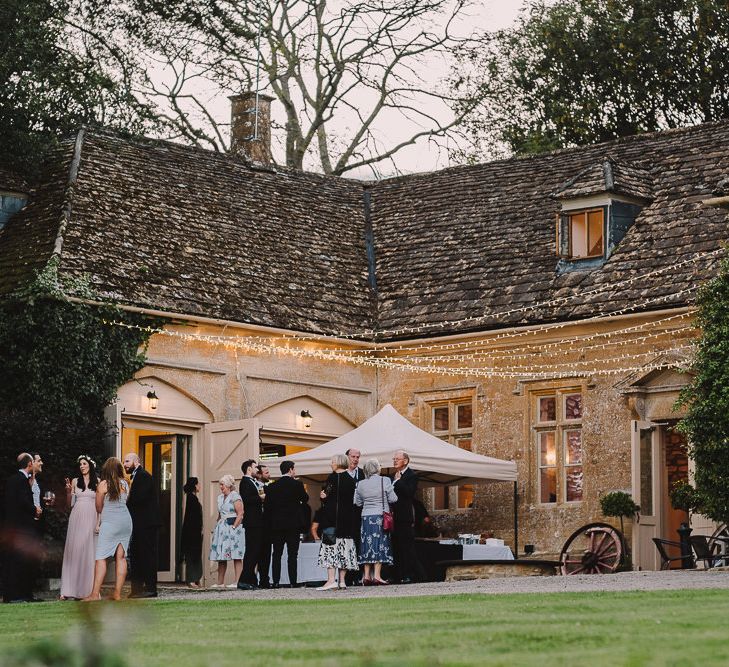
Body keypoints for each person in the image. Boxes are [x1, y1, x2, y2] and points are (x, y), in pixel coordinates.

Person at [84, 457, 132, 601]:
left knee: (100, 558)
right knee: (121, 557)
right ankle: (117, 593)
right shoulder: (125, 483)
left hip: (110, 523)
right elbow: (124, 501)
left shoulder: (103, 484)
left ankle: (94, 594)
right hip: (125, 521)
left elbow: (98, 508)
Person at [316, 454, 358, 591]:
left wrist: (323, 497)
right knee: (344, 549)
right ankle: (342, 581)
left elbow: (326, 496)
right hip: (347, 520)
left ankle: (330, 580)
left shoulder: (331, 479)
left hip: (331, 519)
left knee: (330, 548)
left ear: (338, 463)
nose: (331, 463)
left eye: (332, 461)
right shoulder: (351, 480)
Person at [60, 455, 100, 600]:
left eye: (84, 463)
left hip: (92, 518)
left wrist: (99, 522)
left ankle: (88, 590)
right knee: (74, 551)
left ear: (90, 465)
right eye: (80, 465)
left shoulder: (98, 482)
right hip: (77, 518)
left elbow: (100, 504)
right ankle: (68, 590)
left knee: (89, 553)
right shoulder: (75, 481)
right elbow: (69, 504)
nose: (82, 466)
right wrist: (67, 491)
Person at [123, 453, 162, 599]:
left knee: (147, 555)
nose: (125, 464)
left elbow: (139, 499)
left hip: (147, 523)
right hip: (138, 523)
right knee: (136, 555)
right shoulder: (134, 477)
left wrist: (125, 500)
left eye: (127, 461)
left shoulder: (144, 476)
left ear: (136, 461)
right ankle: (137, 589)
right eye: (124, 462)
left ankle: (151, 588)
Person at [354, 458, 397, 586]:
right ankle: (377, 576)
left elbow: (357, 502)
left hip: (366, 517)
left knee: (367, 544)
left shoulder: (360, 483)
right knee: (379, 544)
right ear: (378, 468)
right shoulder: (385, 480)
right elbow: (393, 499)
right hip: (379, 516)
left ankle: (366, 576)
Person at [265, 461, 308, 588]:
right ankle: (293, 582)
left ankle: (276, 581)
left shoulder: (272, 487)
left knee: (277, 554)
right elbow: (305, 499)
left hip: (277, 525)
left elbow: (268, 507)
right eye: (294, 469)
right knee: (292, 554)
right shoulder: (297, 484)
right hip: (293, 525)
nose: (294, 472)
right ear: (290, 470)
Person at [2, 453, 38, 602]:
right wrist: (35, 509)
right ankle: (18, 595)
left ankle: (13, 595)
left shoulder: (11, 480)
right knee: (19, 561)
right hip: (21, 527)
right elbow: (23, 502)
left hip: (11, 526)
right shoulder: (22, 480)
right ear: (29, 464)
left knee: (12, 561)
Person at [209, 475, 244, 588]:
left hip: (233, 527)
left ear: (229, 485)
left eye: (222, 484)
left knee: (236, 554)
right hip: (222, 528)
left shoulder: (235, 496)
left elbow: (240, 513)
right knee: (221, 556)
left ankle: (237, 581)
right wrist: (217, 526)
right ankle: (220, 582)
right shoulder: (219, 498)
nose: (221, 487)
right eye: (220, 484)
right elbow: (220, 514)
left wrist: (234, 527)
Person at [392, 450, 419, 584]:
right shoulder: (394, 475)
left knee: (406, 547)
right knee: (396, 547)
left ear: (405, 461)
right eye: (394, 459)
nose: (395, 461)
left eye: (397, 459)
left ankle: (409, 574)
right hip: (394, 517)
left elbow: (409, 493)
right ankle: (397, 574)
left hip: (405, 517)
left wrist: (398, 481)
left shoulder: (411, 475)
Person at [237, 459, 264, 590]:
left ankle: (250, 580)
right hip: (252, 522)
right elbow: (247, 500)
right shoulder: (245, 482)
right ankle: (244, 580)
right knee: (252, 551)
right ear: (249, 469)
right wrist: (260, 498)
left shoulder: (252, 482)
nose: (257, 470)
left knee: (255, 551)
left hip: (256, 521)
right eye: (255, 467)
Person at [345, 448, 364, 586]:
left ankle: (357, 575)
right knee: (345, 545)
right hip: (344, 516)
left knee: (358, 545)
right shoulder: (339, 473)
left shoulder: (363, 474)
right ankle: (346, 577)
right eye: (353, 456)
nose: (355, 459)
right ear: (347, 457)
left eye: (358, 457)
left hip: (359, 515)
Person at [180, 477, 203, 588]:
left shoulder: (191, 498)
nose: (200, 486)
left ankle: (195, 578)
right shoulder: (191, 499)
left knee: (194, 554)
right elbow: (192, 519)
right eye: (198, 484)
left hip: (193, 532)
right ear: (195, 485)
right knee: (192, 555)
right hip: (192, 533)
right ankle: (192, 579)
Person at [255, 463, 272, 589]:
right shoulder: (255, 487)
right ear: (259, 475)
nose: (269, 474)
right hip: (258, 524)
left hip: (267, 525)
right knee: (257, 553)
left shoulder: (269, 487)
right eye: (266, 473)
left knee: (266, 554)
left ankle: (264, 579)